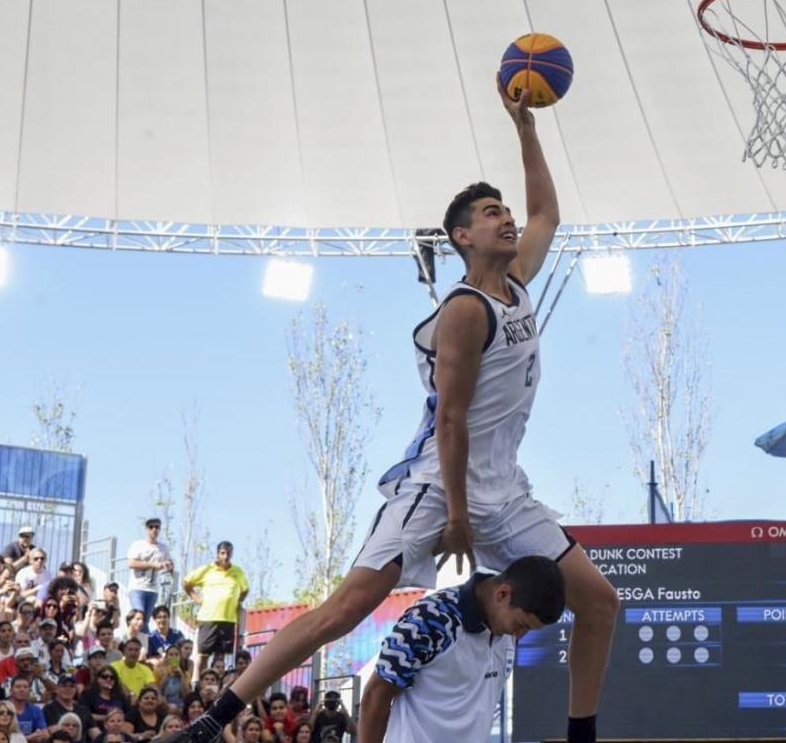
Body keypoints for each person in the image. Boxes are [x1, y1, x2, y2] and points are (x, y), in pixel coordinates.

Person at [164, 83, 618, 743]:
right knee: (346, 608)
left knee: (601, 602)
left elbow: (547, 209)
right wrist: (458, 517)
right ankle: (216, 715)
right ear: (462, 236)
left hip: (504, 487)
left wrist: (526, 130)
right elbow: (451, 422)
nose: (507, 218)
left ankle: (582, 733)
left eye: (504, 211)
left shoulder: (517, 280)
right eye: (492, 213)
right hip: (440, 483)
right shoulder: (466, 309)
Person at [359, 556, 564, 743]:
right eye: (521, 624)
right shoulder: (431, 618)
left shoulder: (507, 628)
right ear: (502, 594)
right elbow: (377, 693)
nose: (520, 635)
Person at [180, 543, 247, 676]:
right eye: (222, 553)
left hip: (228, 619)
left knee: (220, 656)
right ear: (217, 554)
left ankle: (215, 685)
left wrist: (237, 601)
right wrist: (195, 596)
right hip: (208, 618)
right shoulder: (207, 569)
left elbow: (245, 589)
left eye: (228, 553)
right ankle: (199, 685)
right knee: (203, 654)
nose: (225, 556)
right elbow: (186, 582)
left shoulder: (237, 571)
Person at [126, 521, 172, 625]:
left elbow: (170, 563)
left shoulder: (163, 548)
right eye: (151, 527)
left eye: (157, 527)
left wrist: (168, 565)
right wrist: (153, 565)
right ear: (147, 529)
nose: (154, 529)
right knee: (138, 617)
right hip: (137, 588)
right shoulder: (138, 545)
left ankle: (142, 640)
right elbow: (131, 563)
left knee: (145, 621)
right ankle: (133, 640)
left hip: (153, 589)